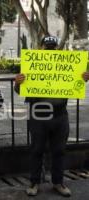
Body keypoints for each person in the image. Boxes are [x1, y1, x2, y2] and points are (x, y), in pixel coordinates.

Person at [14, 35, 89, 197]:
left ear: (57, 48)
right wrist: (18, 82)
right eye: (47, 46)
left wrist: (83, 79)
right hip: (38, 115)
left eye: (52, 46)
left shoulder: (65, 65)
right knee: (36, 150)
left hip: (60, 115)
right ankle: (34, 183)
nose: (50, 49)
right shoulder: (31, 65)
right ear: (40, 48)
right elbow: (20, 91)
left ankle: (58, 182)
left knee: (59, 151)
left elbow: (76, 85)